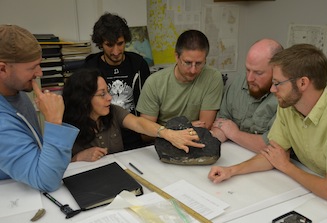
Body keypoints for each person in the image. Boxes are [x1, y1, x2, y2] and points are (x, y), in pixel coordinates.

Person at [208, 44, 327, 202]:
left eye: (278, 83)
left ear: (303, 83)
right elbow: (273, 155)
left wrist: (287, 167)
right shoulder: (289, 105)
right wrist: (232, 170)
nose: (273, 90)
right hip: (314, 188)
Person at [62, 68, 205, 162]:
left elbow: (139, 123)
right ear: (84, 99)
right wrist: (78, 158)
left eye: (108, 91)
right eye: (102, 94)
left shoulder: (113, 111)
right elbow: (53, 167)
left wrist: (168, 134)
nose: (109, 98)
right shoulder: (64, 126)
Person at [0, 24, 79, 192]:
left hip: (23, 186)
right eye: (32, 68)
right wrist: (54, 122)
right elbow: (46, 182)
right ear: (2, 69)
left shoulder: (17, 91)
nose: (40, 73)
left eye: (39, 64)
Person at [82, 12, 151, 150]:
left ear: (125, 40)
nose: (116, 51)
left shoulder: (138, 64)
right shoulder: (90, 67)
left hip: (135, 136)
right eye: (109, 45)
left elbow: (149, 102)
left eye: (120, 44)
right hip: (104, 139)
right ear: (100, 44)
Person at [136, 29, 224, 132]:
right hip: (163, 142)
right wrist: (183, 127)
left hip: (196, 140)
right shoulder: (154, 82)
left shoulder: (213, 77)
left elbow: (204, 126)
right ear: (177, 57)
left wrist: (165, 129)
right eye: (187, 63)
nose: (193, 70)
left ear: (205, 60)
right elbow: (145, 133)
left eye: (199, 63)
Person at [211, 39, 283, 153]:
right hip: (234, 153)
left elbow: (274, 146)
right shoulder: (239, 82)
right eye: (247, 70)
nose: (249, 79)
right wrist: (211, 140)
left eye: (258, 73)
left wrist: (235, 134)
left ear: (277, 70)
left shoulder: (285, 96)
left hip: (268, 163)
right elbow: (221, 121)